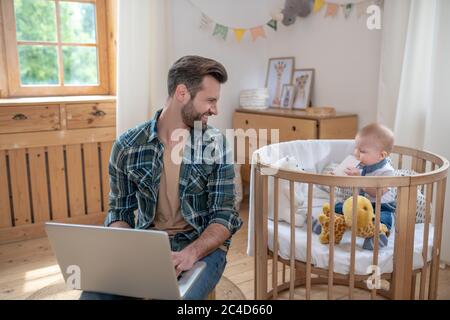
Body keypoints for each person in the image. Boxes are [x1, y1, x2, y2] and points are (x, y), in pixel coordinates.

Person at [80, 55, 243, 300]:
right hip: (148, 245)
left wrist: (192, 252)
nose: (215, 109)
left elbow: (225, 215)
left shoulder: (215, 144)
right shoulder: (127, 146)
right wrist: (123, 243)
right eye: (210, 100)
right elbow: (120, 210)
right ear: (182, 93)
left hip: (202, 248)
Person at [313, 123, 396, 250]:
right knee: (339, 206)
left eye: (362, 151)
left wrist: (360, 179)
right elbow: (350, 185)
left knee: (385, 219)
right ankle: (326, 223)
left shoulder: (387, 171)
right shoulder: (361, 165)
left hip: (380, 207)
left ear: (381, 155)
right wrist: (338, 177)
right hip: (358, 204)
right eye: (356, 148)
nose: (356, 153)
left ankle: (378, 236)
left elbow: (377, 193)